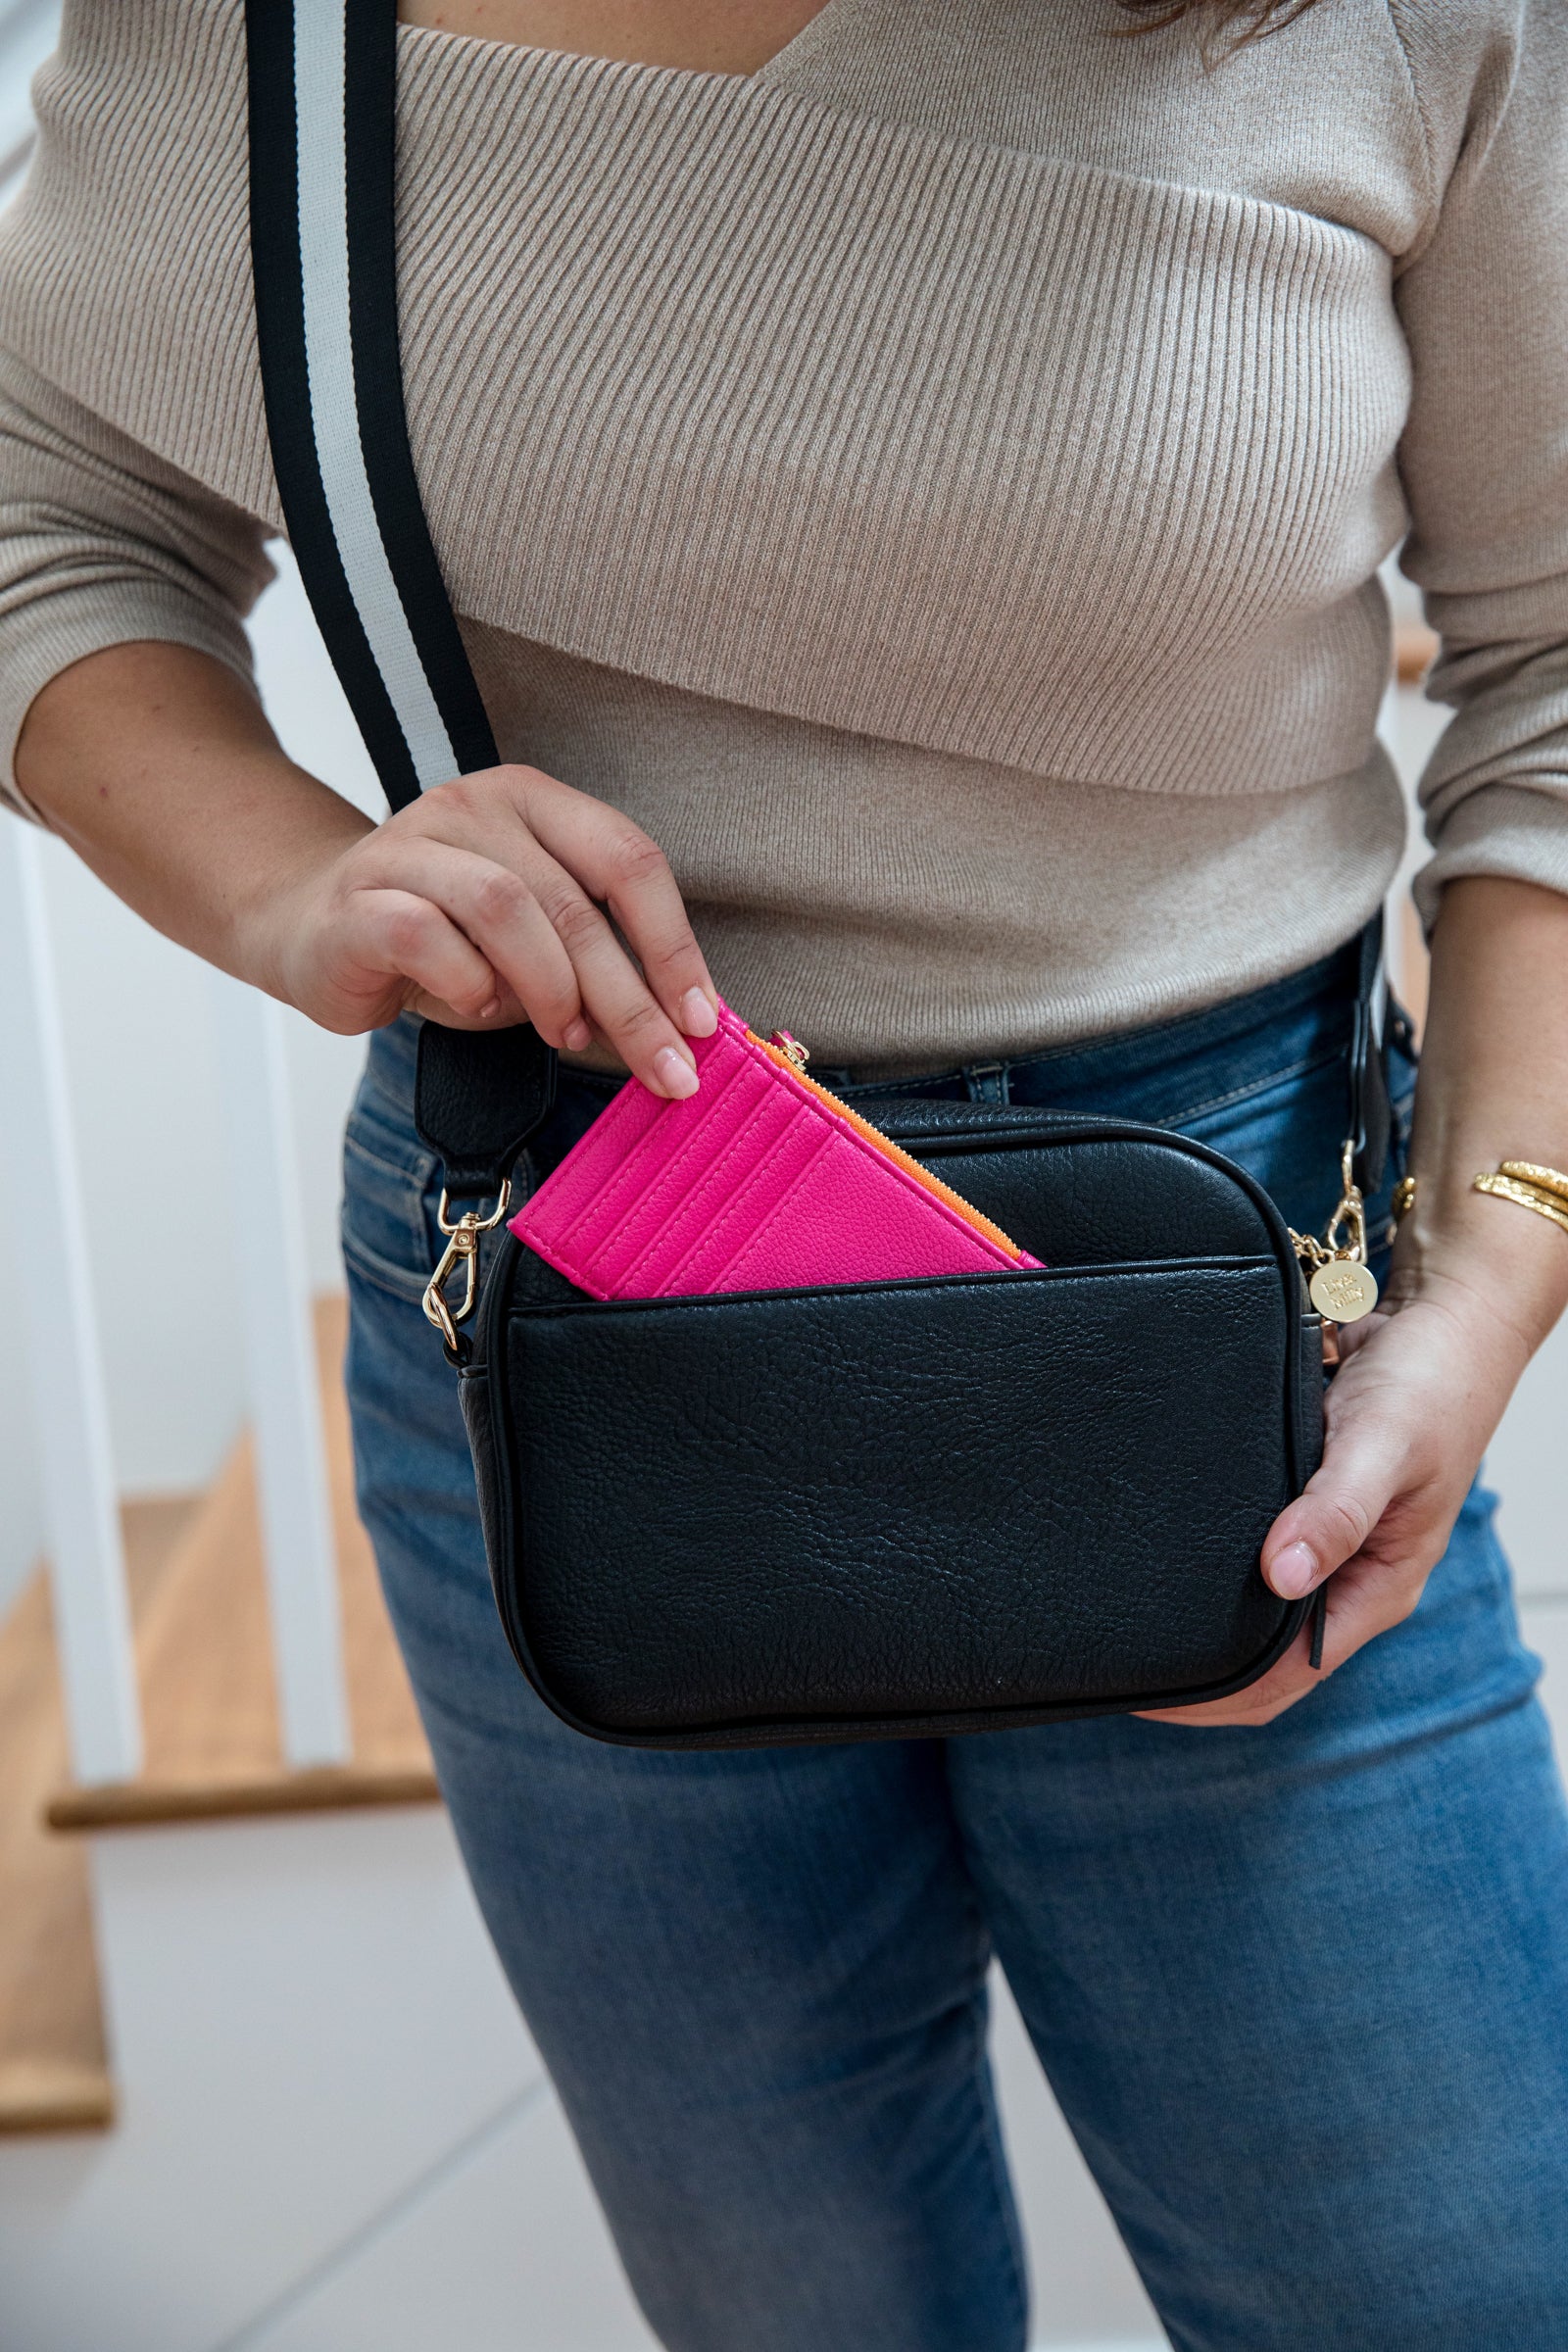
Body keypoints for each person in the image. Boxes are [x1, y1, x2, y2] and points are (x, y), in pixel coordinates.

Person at [4, 0, 1568, 2341]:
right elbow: (50, 513)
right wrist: (286, 888)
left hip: (1245, 1314)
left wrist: (1494, 1278)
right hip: (580, 1282)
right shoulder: (242, 41)